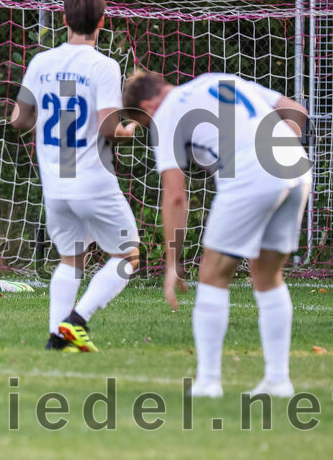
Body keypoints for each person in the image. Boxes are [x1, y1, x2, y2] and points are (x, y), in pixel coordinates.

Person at [123, 70, 311, 398]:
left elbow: (175, 196)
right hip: (295, 164)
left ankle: (208, 383)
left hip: (252, 173)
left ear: (149, 105)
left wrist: (172, 263)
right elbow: (296, 109)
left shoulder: (166, 112)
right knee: (268, 276)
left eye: (145, 122)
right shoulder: (217, 79)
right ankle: (278, 381)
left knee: (211, 274)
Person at [9, 0, 140, 353]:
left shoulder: (41, 62)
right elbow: (108, 128)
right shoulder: (103, 66)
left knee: (71, 258)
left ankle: (56, 338)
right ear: (101, 23)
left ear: (64, 20)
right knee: (127, 254)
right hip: (91, 177)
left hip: (56, 176)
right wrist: (131, 128)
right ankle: (74, 322)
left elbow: (18, 119)